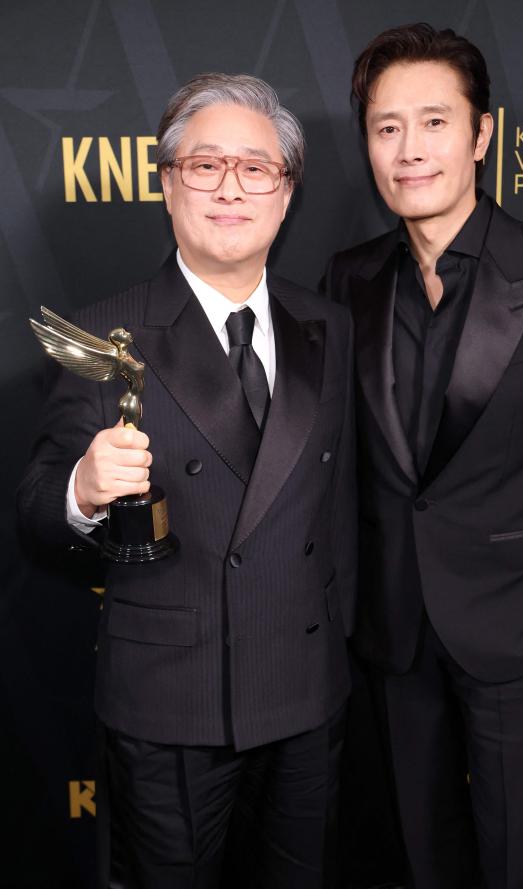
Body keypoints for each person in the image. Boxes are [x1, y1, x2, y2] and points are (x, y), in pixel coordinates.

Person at [18, 72, 356, 889]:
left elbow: (339, 506)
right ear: (167, 184)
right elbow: (34, 512)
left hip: (306, 697)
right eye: (204, 166)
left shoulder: (331, 326)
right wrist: (82, 488)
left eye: (256, 168)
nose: (230, 188)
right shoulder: (107, 330)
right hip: (170, 705)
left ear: (286, 194)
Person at [323, 23, 523, 889]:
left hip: (521, 621)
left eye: (433, 123)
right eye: (387, 127)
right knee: (419, 861)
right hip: (389, 630)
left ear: (481, 135)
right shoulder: (345, 279)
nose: (410, 150)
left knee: (514, 864)